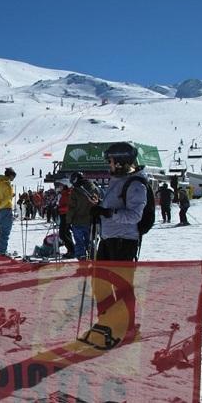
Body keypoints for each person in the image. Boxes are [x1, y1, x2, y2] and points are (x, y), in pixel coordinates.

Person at [85, 142, 147, 349]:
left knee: (121, 285)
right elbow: (111, 207)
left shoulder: (136, 184)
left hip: (124, 241)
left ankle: (127, 326)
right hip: (108, 238)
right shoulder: (118, 180)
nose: (108, 164)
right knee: (100, 282)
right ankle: (107, 322)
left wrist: (108, 213)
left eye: (110, 161)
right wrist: (99, 209)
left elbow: (135, 216)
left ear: (121, 162)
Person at [67, 172, 100, 260]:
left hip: (77, 221)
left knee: (79, 241)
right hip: (90, 220)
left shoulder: (75, 191)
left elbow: (72, 208)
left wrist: (68, 220)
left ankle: (82, 259)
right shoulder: (93, 188)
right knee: (89, 240)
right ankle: (93, 256)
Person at [0, 167, 16, 256]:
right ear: (10, 175)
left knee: (1, 231)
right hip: (6, 209)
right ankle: (1, 251)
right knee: (5, 232)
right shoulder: (7, 184)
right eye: (13, 176)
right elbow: (7, 198)